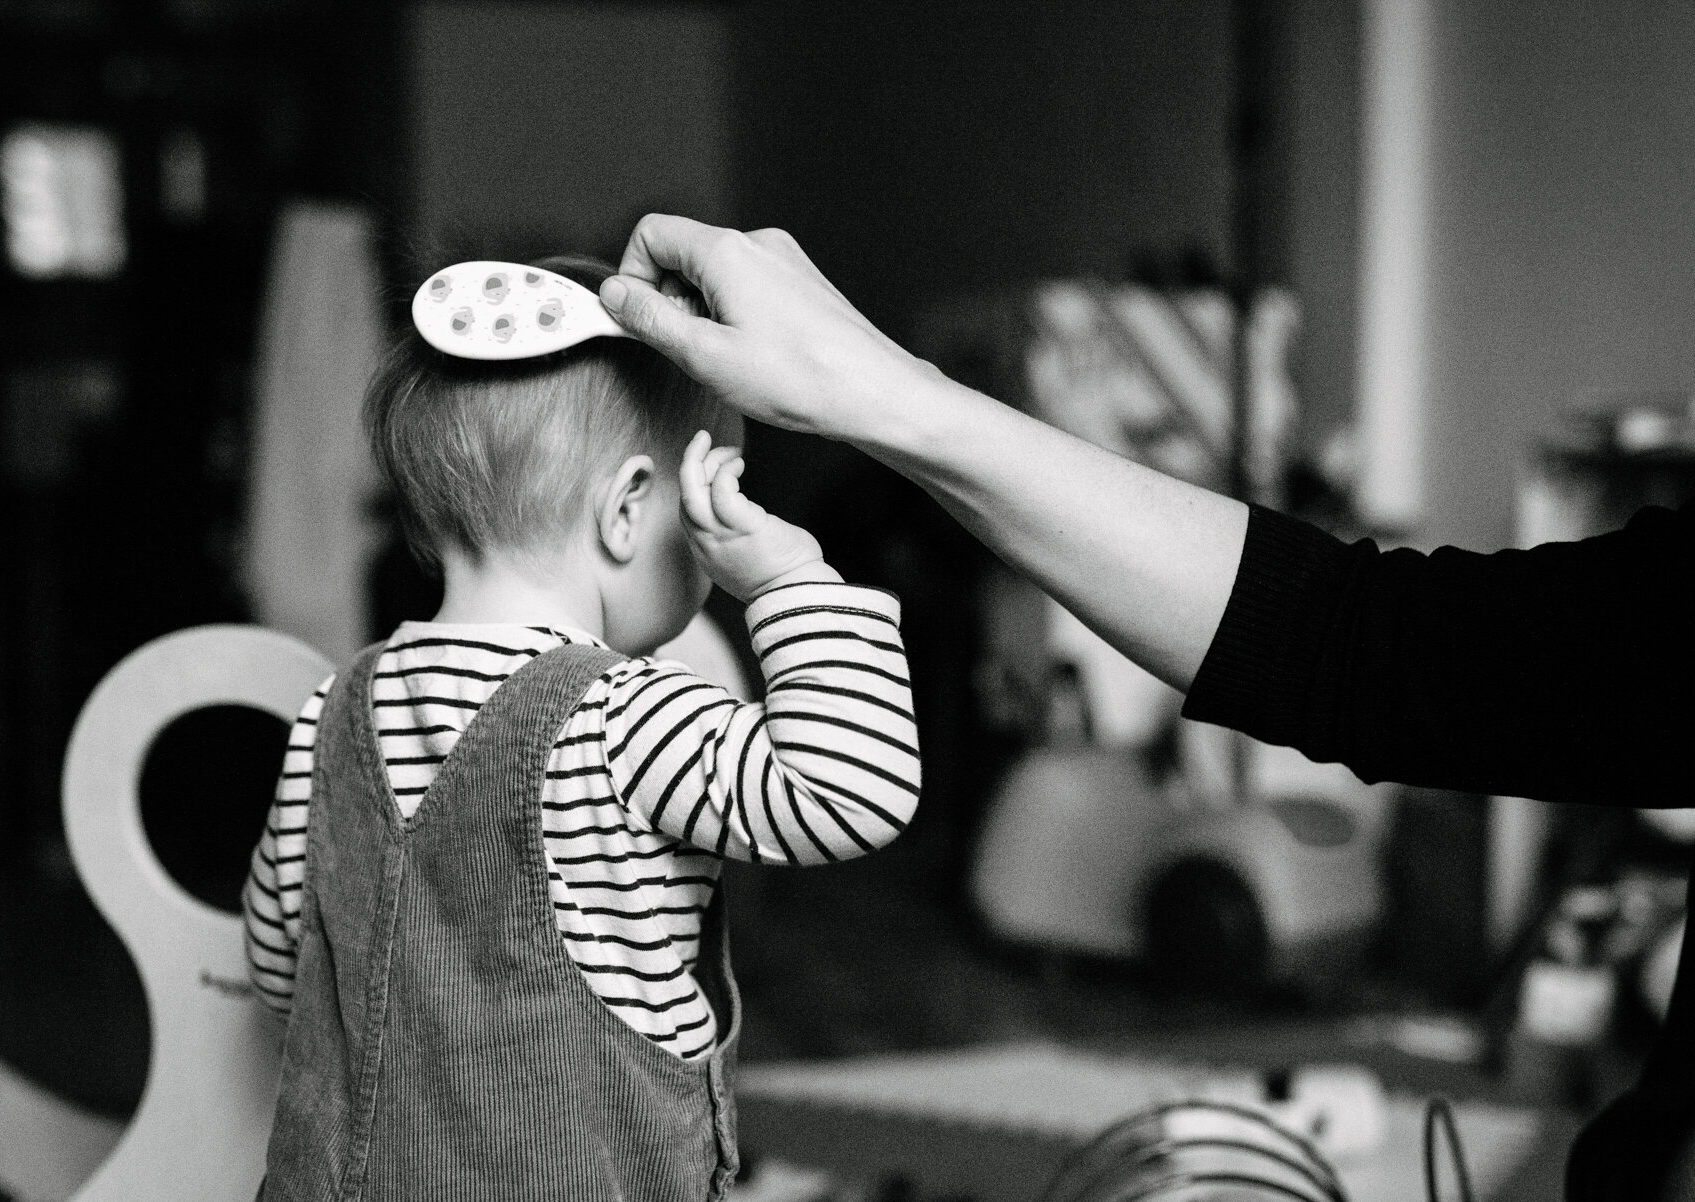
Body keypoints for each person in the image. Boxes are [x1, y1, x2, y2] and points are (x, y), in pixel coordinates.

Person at [595, 216, 1695, 1201]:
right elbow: (1363, 639)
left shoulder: (461, 692)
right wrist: (807, 546)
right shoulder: (622, 702)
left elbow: (1363, 643)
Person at [242, 254, 922, 1200]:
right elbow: (854, 791)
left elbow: (283, 966)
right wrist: (791, 581)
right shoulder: (626, 719)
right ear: (627, 510)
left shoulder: (333, 711)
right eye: (711, 509)